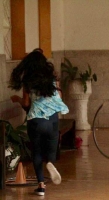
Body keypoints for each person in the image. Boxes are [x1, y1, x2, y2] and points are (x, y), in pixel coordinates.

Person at [9, 49, 69, 196]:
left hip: (36, 120)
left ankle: (41, 186)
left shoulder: (28, 81)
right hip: (53, 119)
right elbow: (59, 96)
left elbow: (27, 104)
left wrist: (17, 99)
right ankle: (50, 162)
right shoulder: (52, 78)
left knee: (36, 151)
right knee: (51, 151)